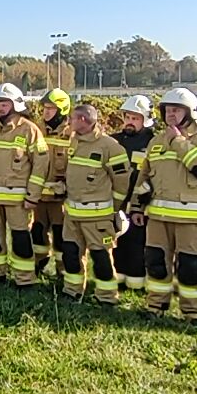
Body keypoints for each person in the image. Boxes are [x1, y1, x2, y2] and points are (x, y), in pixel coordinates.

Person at [130, 88, 197, 322]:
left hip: (190, 219)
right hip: (157, 217)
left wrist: (177, 141)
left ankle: (193, 312)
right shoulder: (156, 141)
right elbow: (144, 175)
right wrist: (137, 206)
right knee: (156, 262)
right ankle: (155, 306)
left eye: (176, 110)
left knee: (190, 267)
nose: (170, 114)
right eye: (167, 110)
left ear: (190, 112)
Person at [0, 84, 49, 287]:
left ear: (15, 105)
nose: (0, 109)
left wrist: (33, 196)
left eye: (4, 105)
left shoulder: (30, 130)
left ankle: (25, 279)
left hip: (18, 200)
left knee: (21, 239)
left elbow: (40, 166)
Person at [60, 103, 132, 305]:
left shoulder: (110, 147)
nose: (69, 122)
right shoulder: (74, 141)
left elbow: (122, 181)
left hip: (98, 217)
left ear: (82, 120)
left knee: (101, 258)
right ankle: (72, 291)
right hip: (72, 215)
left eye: (72, 118)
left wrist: (114, 208)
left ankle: (107, 297)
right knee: (71, 254)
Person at [111, 96, 155, 292]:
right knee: (117, 241)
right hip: (117, 202)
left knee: (137, 244)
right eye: (127, 117)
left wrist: (142, 202)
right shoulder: (114, 141)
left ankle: (137, 284)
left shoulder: (153, 142)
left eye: (135, 118)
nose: (129, 122)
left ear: (146, 119)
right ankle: (118, 279)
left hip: (140, 204)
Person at [30, 88, 73, 278]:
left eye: (51, 108)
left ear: (62, 110)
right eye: (45, 108)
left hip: (60, 199)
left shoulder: (72, 133)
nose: (46, 112)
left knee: (61, 235)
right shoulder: (36, 129)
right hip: (39, 197)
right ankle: (38, 265)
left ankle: (63, 272)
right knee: (37, 232)